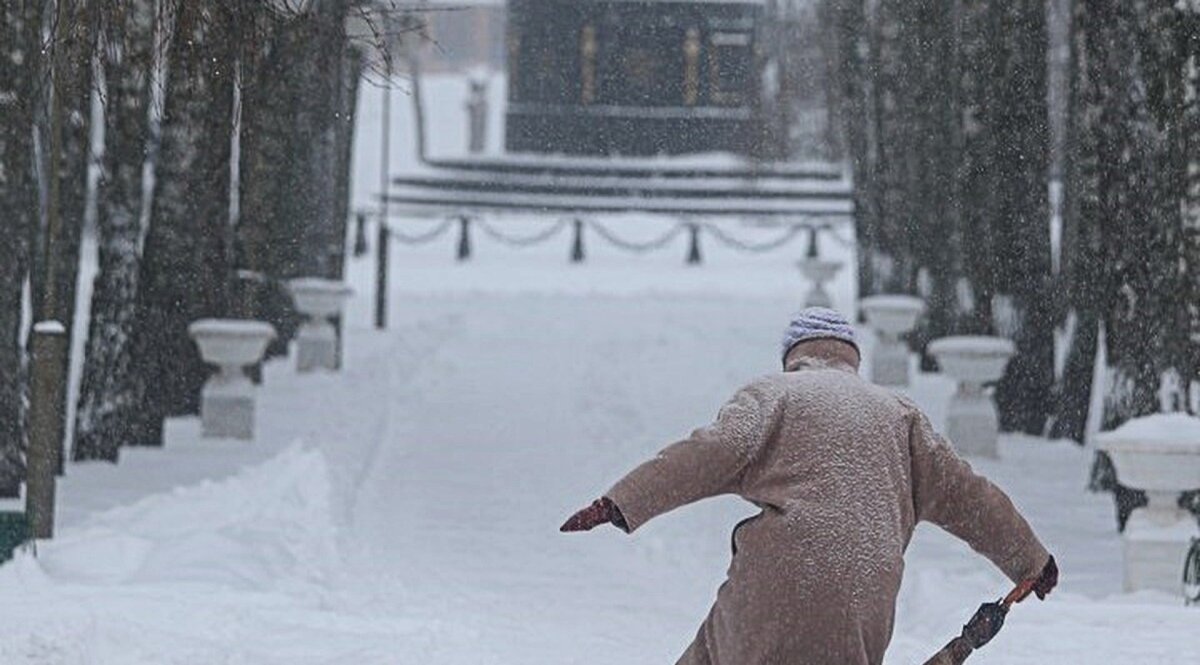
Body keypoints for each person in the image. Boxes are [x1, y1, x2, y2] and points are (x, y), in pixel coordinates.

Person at [561, 307, 1057, 665]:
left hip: (777, 581)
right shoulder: (899, 414)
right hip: (864, 594)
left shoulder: (771, 396)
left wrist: (621, 501)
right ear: (852, 360)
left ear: (792, 357)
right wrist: (1029, 558)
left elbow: (706, 453)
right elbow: (969, 496)